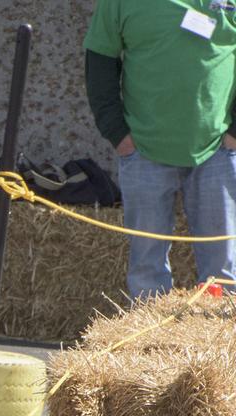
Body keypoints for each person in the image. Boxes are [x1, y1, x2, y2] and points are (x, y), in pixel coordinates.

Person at [84, 0, 236, 299]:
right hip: (144, 152)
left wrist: (234, 136)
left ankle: (222, 340)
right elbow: (99, 62)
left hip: (217, 152)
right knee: (146, 270)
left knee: (224, 274)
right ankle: (149, 340)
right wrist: (119, 136)